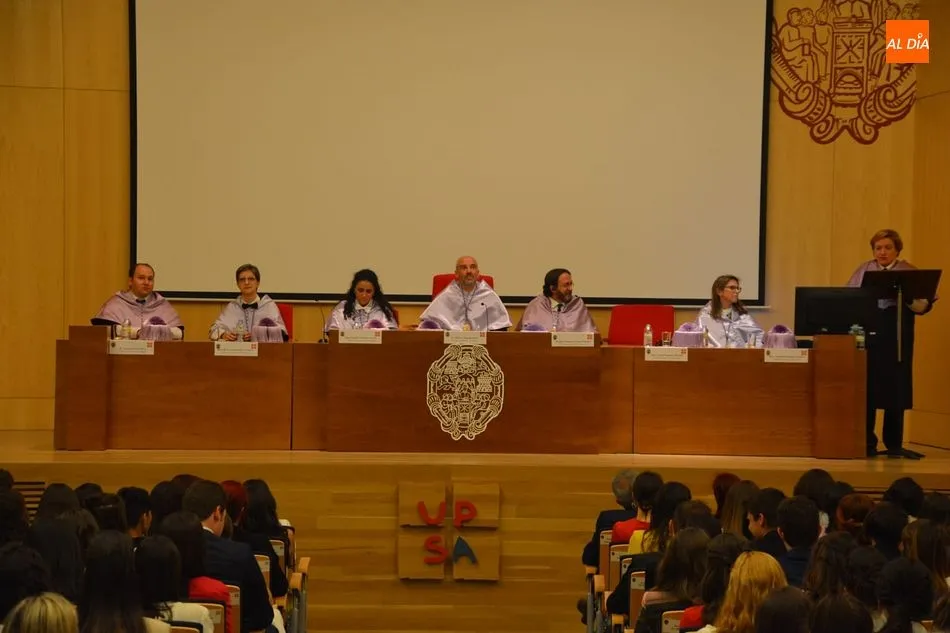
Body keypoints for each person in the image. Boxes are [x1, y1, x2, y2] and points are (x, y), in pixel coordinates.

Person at [846, 229, 937, 460]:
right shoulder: (864, 270)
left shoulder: (909, 271)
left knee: (896, 386)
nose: (882, 252)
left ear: (897, 250)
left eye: (887, 247)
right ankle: (867, 443)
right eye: (878, 248)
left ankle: (894, 443)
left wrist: (906, 296)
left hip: (898, 336)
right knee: (868, 387)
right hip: (870, 334)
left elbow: (924, 306)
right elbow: (848, 299)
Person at [92, 263, 183, 339]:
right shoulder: (116, 303)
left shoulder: (162, 305)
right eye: (141, 278)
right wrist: (138, 332)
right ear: (130, 281)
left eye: (150, 279)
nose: (146, 282)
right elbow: (104, 331)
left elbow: (179, 333)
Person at [418, 256, 511, 331]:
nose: (469, 271)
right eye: (464, 268)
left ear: (478, 273)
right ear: (456, 274)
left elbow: (501, 328)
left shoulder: (488, 295)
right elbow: (429, 324)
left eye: (473, 267)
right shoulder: (448, 294)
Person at [209, 264, 288, 341]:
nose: (246, 282)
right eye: (242, 279)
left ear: (258, 283)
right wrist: (224, 335)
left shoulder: (269, 306)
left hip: (263, 352)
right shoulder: (232, 307)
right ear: (238, 284)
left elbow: (282, 333)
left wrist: (256, 335)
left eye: (251, 279)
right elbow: (213, 330)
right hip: (236, 353)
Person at [516, 268, 596, 332]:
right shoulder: (536, 305)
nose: (571, 288)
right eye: (566, 285)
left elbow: (592, 337)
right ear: (553, 288)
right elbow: (524, 337)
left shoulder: (577, 304)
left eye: (571, 284)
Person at [697, 275, 764, 348]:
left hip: (737, 357)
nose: (737, 291)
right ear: (719, 291)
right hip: (712, 357)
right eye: (732, 288)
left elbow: (759, 337)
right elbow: (697, 339)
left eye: (738, 288)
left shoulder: (742, 316)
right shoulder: (705, 315)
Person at [325, 269, 398, 331]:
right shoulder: (341, 309)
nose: (364, 295)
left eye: (368, 291)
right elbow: (332, 334)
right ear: (354, 290)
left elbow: (390, 335)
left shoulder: (382, 310)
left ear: (374, 292)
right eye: (360, 290)